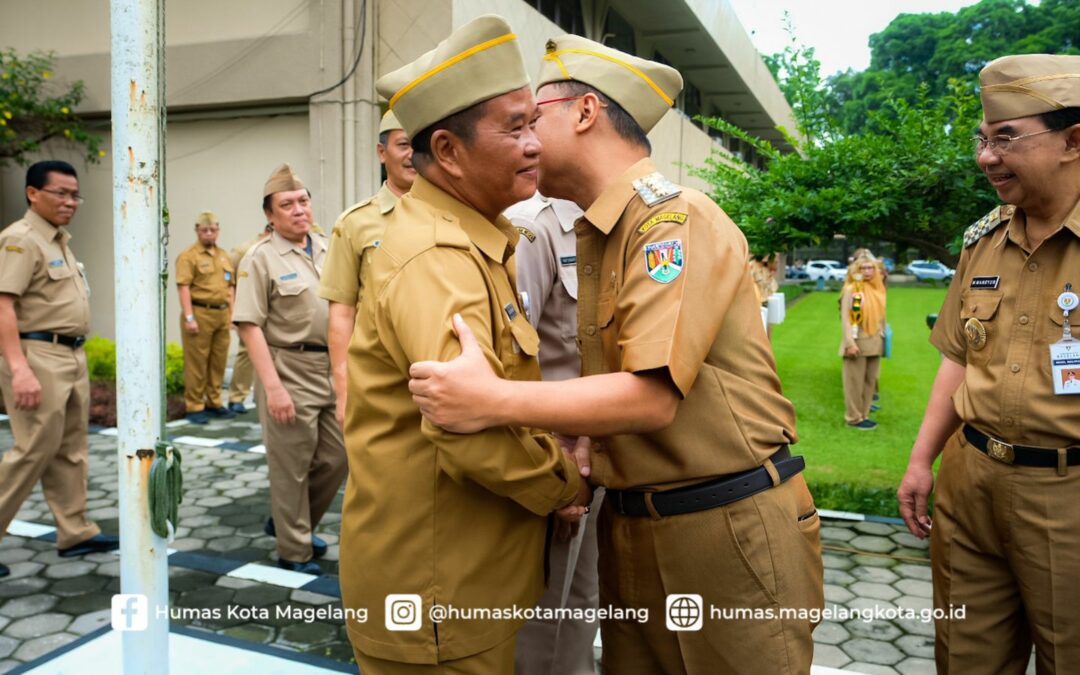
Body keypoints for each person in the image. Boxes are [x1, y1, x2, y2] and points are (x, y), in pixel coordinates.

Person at [408, 34, 824, 674]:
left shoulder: (670, 223)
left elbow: (650, 396)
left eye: (532, 119)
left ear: (584, 112)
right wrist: (584, 440)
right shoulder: (601, 231)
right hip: (635, 523)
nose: (522, 140)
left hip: (723, 527)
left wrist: (492, 401)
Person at [339, 15, 587, 672]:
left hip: (464, 579)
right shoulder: (437, 258)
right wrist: (562, 484)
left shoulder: (479, 241)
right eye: (515, 127)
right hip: (436, 594)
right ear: (447, 151)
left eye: (534, 122)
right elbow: (468, 429)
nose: (535, 143)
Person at [896, 54, 1080, 673]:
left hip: (1068, 498)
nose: (985, 158)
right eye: (982, 139)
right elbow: (958, 358)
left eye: (1006, 139)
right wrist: (923, 460)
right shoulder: (985, 240)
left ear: (1072, 141)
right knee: (966, 659)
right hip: (969, 484)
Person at [0, 160, 120, 577]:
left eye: (75, 195)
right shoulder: (20, 239)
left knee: (71, 449)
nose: (71, 202)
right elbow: (3, 305)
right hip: (37, 356)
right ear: (33, 193)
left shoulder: (58, 241)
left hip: (71, 354)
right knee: (32, 449)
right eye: (61, 194)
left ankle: (75, 531)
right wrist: (19, 369)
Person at [233, 164, 347, 574]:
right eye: (287, 204)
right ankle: (293, 551)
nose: (299, 209)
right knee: (291, 466)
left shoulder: (327, 245)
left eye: (303, 200)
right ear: (270, 215)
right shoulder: (260, 258)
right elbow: (249, 324)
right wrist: (273, 387)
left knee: (337, 458)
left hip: (330, 366)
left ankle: (289, 522)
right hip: (288, 367)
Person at [506, 193, 599, 675]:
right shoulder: (531, 227)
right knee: (546, 604)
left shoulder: (608, 220)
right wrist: (553, 475)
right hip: (559, 455)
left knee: (583, 596)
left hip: (601, 443)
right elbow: (515, 362)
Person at [319, 109, 415, 426]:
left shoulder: (454, 214)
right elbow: (342, 312)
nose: (412, 154)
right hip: (378, 379)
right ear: (381, 152)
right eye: (403, 145)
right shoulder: (355, 223)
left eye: (419, 144)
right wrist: (344, 390)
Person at [175, 211, 237, 424]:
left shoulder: (224, 255)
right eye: (204, 230)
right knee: (197, 363)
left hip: (221, 314)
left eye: (213, 229)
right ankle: (194, 406)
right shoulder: (189, 256)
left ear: (218, 230)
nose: (209, 233)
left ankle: (214, 401)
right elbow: (183, 287)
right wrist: (189, 317)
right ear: (197, 231)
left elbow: (230, 288)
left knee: (218, 361)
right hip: (199, 313)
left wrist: (232, 315)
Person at [225, 223, 272, 414]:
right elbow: (228, 283)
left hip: (276, 309)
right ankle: (237, 396)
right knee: (247, 352)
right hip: (250, 308)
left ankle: (264, 396)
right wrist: (233, 313)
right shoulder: (245, 250)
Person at [840, 253, 886, 430]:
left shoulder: (878, 289)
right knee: (854, 382)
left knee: (870, 381)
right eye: (863, 268)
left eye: (870, 267)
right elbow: (846, 318)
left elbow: (881, 318)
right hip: (857, 342)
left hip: (875, 341)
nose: (867, 271)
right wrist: (849, 343)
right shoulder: (852, 289)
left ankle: (864, 414)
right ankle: (853, 417)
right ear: (857, 269)